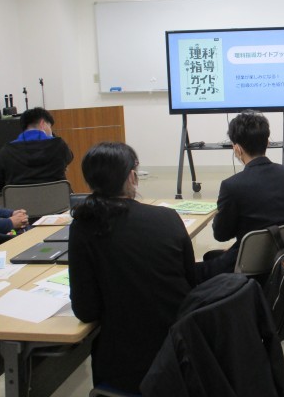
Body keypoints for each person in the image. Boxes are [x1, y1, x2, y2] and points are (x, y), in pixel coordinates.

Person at [69, 142, 197, 393]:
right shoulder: (167, 217)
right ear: (131, 177)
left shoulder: (84, 227)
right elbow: (190, 283)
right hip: (182, 354)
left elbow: (86, 310)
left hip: (126, 367)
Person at [194, 111, 284, 284]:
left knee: (191, 271)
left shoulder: (231, 185)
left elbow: (221, 235)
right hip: (280, 259)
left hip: (245, 266)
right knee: (212, 257)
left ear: (237, 149)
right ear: (267, 142)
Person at [0, 107, 73, 193]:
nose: (51, 131)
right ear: (42, 123)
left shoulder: (6, 152)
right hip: (58, 201)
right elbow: (70, 157)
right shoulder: (58, 145)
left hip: (19, 202)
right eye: (50, 126)